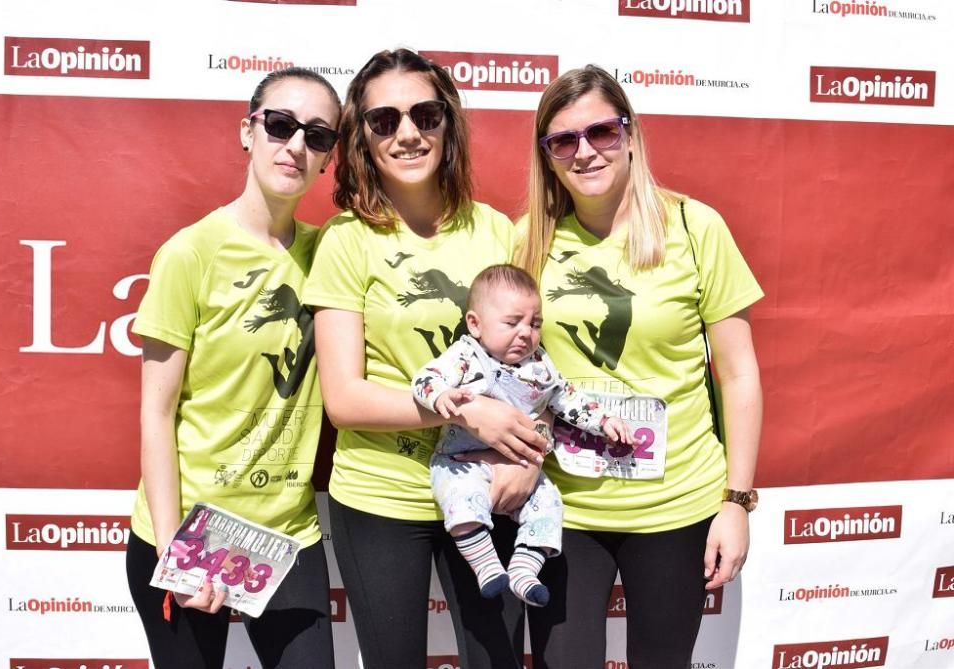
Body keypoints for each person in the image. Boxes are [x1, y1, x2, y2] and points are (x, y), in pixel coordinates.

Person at [304, 49, 546, 669]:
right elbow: (345, 399)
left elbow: (539, 370)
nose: (408, 133)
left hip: (492, 489)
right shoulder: (345, 241)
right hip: (383, 499)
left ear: (450, 123)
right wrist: (469, 415)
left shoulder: (499, 232)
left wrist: (531, 451)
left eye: (425, 114)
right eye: (384, 120)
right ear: (362, 136)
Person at [519, 65, 764, 669]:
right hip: (564, 507)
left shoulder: (694, 227)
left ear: (630, 135)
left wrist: (737, 500)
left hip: (677, 506)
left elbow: (738, 374)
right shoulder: (528, 240)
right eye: (563, 140)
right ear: (547, 156)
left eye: (601, 131)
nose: (585, 152)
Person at [125, 67, 341, 669]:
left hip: (286, 537)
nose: (296, 145)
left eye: (318, 136)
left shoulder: (329, 253)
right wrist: (175, 555)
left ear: (328, 158)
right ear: (248, 131)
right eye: (280, 125)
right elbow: (156, 412)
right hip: (187, 530)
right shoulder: (189, 252)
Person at [412, 263, 635, 608]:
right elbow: (424, 380)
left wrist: (603, 420)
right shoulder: (466, 356)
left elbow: (566, 397)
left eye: (534, 324)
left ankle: (523, 569)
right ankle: (485, 564)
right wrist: (440, 396)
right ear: (475, 324)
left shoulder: (540, 364)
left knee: (549, 504)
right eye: (512, 322)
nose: (525, 333)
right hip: (462, 463)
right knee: (461, 498)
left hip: (520, 465)